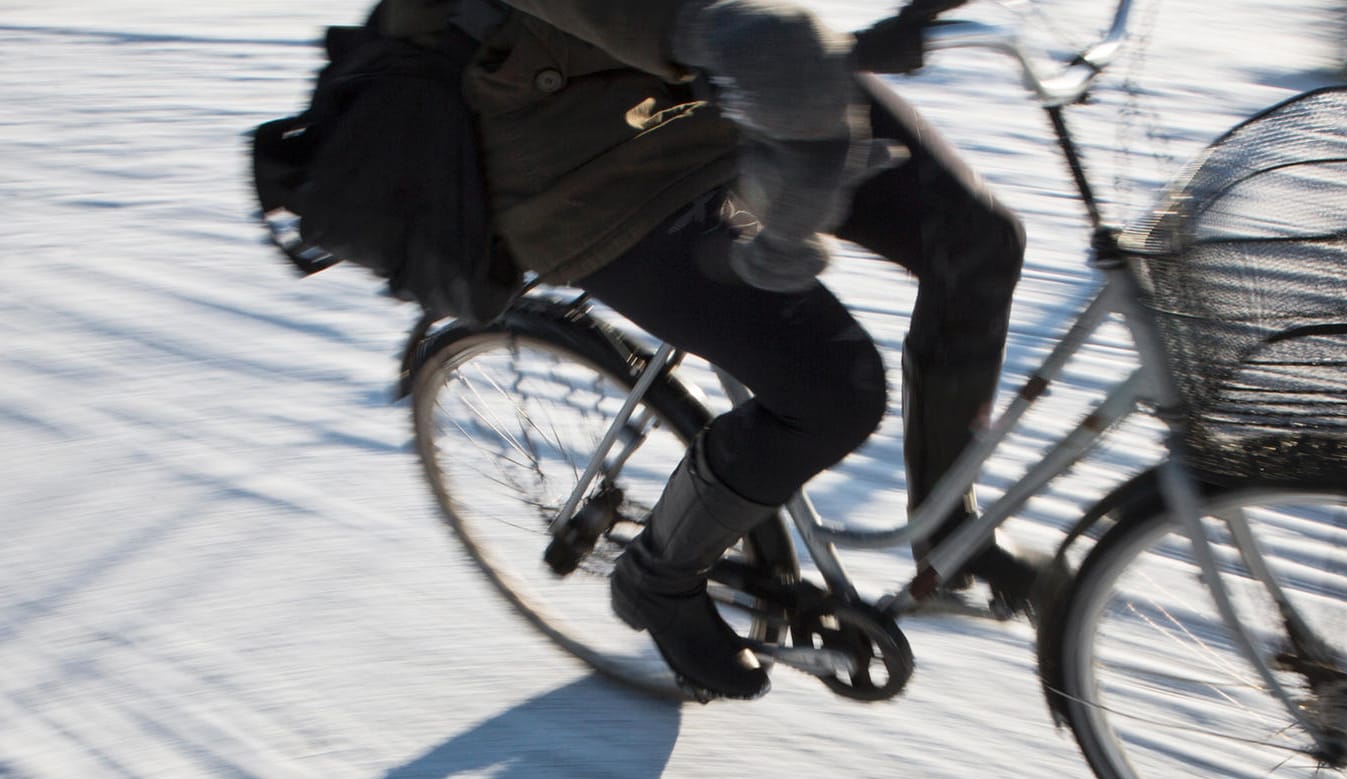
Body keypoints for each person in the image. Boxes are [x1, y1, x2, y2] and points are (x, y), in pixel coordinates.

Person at [381, 0, 1031, 700]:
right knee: (831, 390)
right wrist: (716, 32)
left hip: (737, 76)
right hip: (584, 159)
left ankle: (946, 535)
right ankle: (659, 579)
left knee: (975, 243)